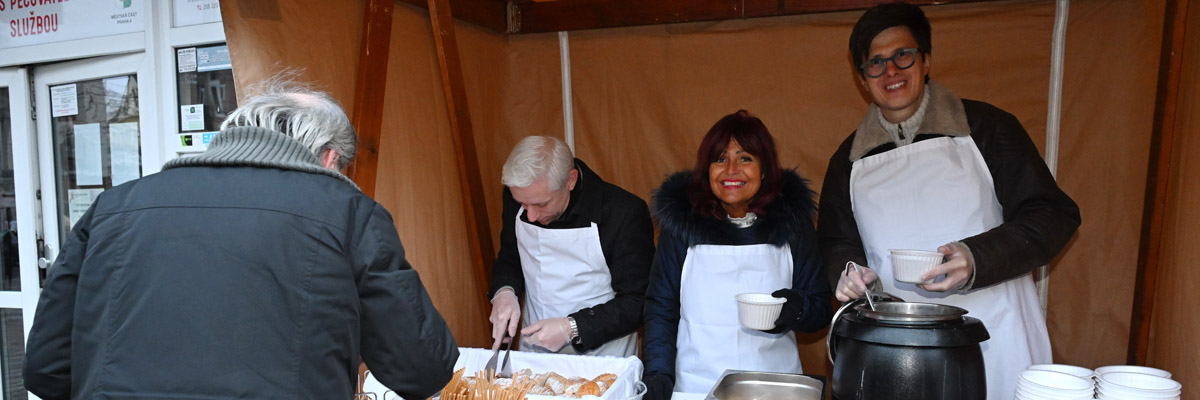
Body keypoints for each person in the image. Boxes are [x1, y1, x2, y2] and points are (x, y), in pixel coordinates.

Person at [23, 75, 459, 400]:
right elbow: (422, 368)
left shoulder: (113, 207)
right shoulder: (346, 211)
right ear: (329, 157)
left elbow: (46, 369)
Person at [818, 3, 1081, 400]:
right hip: (898, 348)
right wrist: (849, 272)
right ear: (862, 78)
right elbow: (837, 242)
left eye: (903, 55)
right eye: (876, 62)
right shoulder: (848, 160)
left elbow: (1053, 214)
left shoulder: (986, 127)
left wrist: (976, 258)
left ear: (925, 60)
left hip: (996, 332)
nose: (890, 71)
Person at [642, 110, 833, 399]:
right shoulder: (682, 228)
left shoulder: (792, 225)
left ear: (765, 169)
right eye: (720, 159)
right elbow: (661, 309)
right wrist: (658, 376)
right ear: (707, 170)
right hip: (697, 384)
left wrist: (797, 308)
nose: (731, 170)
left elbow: (820, 308)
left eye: (745, 159)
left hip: (774, 384)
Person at [487, 136, 654, 356]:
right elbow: (510, 257)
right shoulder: (520, 195)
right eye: (523, 204)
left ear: (570, 181)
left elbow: (639, 300)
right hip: (534, 350)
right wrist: (504, 291)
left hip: (602, 355)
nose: (531, 215)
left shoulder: (622, 213)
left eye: (541, 204)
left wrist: (572, 328)